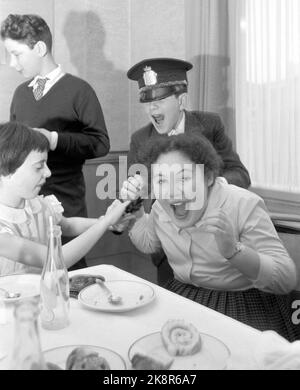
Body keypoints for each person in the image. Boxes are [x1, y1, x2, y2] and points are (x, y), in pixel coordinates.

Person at [120, 133, 299, 341]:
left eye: (184, 178)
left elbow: (286, 279)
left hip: (242, 304)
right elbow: (147, 242)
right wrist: (136, 208)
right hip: (183, 297)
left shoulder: (243, 204)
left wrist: (234, 251)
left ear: (208, 177)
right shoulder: (161, 207)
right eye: (161, 180)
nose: (171, 191)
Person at [127, 57, 251, 285]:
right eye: (146, 102)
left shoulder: (210, 125)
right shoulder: (140, 140)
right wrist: (131, 198)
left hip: (217, 247)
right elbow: (132, 200)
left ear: (181, 100)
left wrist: (204, 187)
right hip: (168, 251)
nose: (151, 108)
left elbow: (240, 176)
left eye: (160, 100)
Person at [0, 14, 110, 270]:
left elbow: (100, 143)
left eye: (16, 54)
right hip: (22, 204)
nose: (12, 64)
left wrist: (54, 140)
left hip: (65, 201)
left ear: (39, 48)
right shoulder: (20, 94)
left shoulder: (79, 90)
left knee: (68, 266)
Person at [0, 122, 129, 276]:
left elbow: (67, 225)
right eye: (38, 167)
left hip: (44, 294)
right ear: (6, 171)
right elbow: (57, 258)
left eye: (46, 164)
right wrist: (105, 222)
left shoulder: (37, 204)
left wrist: (108, 223)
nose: (48, 173)